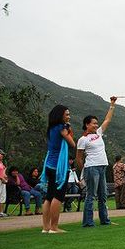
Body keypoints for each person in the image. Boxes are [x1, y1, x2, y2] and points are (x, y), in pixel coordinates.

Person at [76, 96, 117, 227]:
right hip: (91, 168)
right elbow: (79, 157)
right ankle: (88, 222)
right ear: (87, 124)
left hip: (102, 167)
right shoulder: (83, 139)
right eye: (93, 123)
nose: (96, 125)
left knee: (102, 195)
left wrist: (112, 104)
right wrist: (84, 170)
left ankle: (105, 220)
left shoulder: (99, 133)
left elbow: (108, 119)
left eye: (96, 123)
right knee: (91, 195)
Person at [41, 104, 75, 233]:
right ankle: (54, 227)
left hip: (49, 165)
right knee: (58, 196)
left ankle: (46, 227)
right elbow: (72, 143)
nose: (69, 117)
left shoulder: (51, 128)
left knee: (49, 196)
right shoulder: (61, 128)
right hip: (59, 167)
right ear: (60, 115)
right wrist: (68, 130)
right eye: (66, 114)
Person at [0, 149, 7, 217]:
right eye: (1, 154)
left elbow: (3, 172)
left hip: (3, 181)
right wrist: (2, 178)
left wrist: (5, 177)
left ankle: (1, 212)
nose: (2, 156)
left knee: (2, 196)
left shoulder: (1, 163)